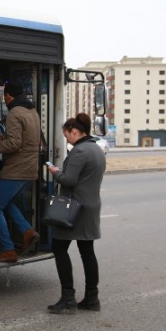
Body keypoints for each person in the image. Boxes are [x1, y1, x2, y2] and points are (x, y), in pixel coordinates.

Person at [46, 112, 106, 313]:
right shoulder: (96, 149)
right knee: (87, 251)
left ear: (74, 131)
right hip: (91, 206)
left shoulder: (79, 152)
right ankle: (91, 298)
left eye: (66, 135)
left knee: (59, 247)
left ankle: (68, 297)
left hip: (75, 209)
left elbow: (69, 180)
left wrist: (55, 172)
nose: (66, 140)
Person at [0, 81, 42, 263]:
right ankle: (27, 231)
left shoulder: (14, 113)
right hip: (30, 168)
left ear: (8, 96)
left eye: (5, 96)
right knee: (4, 203)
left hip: (16, 170)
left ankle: (8, 250)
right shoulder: (32, 112)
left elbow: (13, 144)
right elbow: (24, 139)